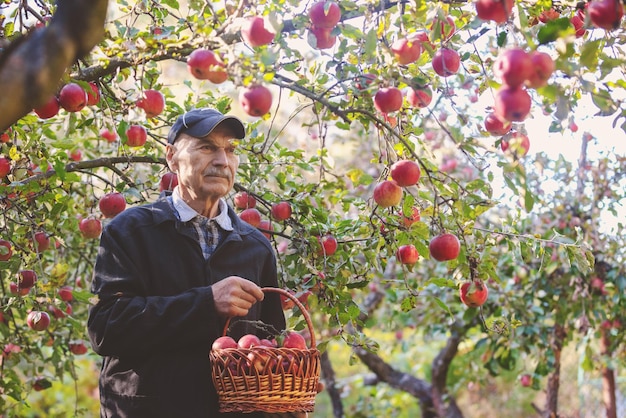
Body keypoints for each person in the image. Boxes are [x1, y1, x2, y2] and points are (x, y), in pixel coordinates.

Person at [87, 108, 287, 417]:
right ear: (171, 157)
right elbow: (106, 329)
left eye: (230, 149)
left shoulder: (256, 247)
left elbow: (269, 348)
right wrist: (206, 303)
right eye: (207, 146)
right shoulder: (131, 231)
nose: (222, 160)